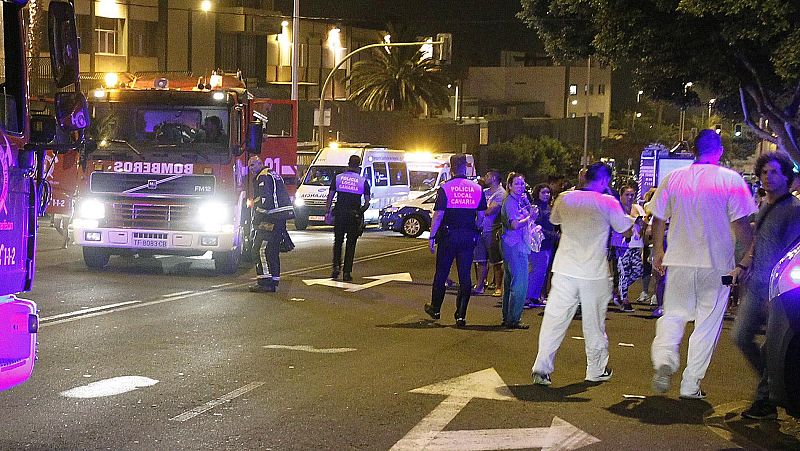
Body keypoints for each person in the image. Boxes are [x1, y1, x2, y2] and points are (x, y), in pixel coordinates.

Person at [650, 129, 756, 399]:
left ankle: (664, 359)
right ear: (719, 150)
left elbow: (658, 219)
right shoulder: (731, 180)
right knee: (707, 324)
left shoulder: (674, 179)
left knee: (673, 314)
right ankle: (690, 384)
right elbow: (742, 227)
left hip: (679, 262)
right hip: (718, 266)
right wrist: (747, 258)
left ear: (693, 150)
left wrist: (659, 251)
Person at [531, 162, 635, 385]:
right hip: (594, 272)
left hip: (565, 268)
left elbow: (555, 220)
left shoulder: (565, 198)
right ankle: (595, 370)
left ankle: (542, 367)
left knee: (555, 320)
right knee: (594, 324)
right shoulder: (608, 202)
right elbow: (625, 229)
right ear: (604, 180)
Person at [732, 152, 800, 419]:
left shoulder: (793, 211)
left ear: (786, 176)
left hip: (780, 292)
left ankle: (766, 401)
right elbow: (758, 242)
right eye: (764, 173)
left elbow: (791, 253)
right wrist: (742, 265)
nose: (768, 177)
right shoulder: (764, 206)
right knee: (741, 336)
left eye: (774, 172)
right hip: (758, 284)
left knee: (772, 346)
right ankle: (777, 386)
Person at [424, 154, 487, 328]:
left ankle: (435, 308)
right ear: (465, 167)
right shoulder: (477, 189)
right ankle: (461, 315)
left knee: (442, 273)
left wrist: (432, 235)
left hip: (448, 235)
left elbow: (438, 215)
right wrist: (474, 228)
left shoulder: (446, 188)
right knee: (465, 275)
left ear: (451, 168)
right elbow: (481, 215)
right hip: (468, 235)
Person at [249, 156, 292, 293]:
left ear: (259, 164)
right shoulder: (273, 174)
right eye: (249, 166)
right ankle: (274, 280)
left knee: (260, 249)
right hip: (280, 217)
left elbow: (265, 200)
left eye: (252, 166)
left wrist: (257, 216)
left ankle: (265, 282)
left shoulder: (262, 177)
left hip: (271, 217)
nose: (250, 169)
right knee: (273, 250)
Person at [500, 172, 537, 329]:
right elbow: (515, 224)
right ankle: (514, 318)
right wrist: (531, 218)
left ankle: (509, 316)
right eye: (517, 184)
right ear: (509, 186)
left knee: (511, 282)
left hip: (515, 244)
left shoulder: (519, 201)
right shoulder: (510, 202)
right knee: (520, 283)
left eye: (522, 184)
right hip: (514, 244)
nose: (520, 187)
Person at [325, 155, 371, 282]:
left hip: (340, 214)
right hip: (353, 216)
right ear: (359, 165)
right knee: (351, 244)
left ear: (348, 164)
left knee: (338, 242)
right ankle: (347, 272)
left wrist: (327, 212)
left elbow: (330, 196)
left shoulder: (338, 178)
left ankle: (335, 268)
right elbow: (367, 202)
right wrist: (360, 212)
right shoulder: (363, 181)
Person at [610, 182, 646, 312]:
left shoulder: (638, 208)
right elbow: (617, 224)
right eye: (627, 194)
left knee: (637, 271)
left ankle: (617, 289)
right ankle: (624, 299)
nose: (630, 197)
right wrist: (633, 220)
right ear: (621, 196)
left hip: (636, 244)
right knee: (623, 272)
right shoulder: (617, 209)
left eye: (632, 194)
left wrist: (642, 225)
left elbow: (644, 224)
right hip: (621, 244)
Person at [473, 169, 505, 295]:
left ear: (494, 178)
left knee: (496, 261)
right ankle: (480, 285)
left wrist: (479, 208)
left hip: (493, 230)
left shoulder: (501, 194)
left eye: (487, 175)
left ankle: (498, 287)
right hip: (480, 229)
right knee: (480, 260)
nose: (484, 177)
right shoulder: (484, 192)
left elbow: (488, 211)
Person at [526, 183, 557, 308]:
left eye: (548, 192)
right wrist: (553, 235)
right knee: (535, 271)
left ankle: (535, 296)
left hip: (548, 243)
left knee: (542, 272)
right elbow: (535, 227)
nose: (546, 195)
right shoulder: (536, 208)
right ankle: (528, 297)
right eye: (543, 192)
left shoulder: (549, 207)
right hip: (539, 244)